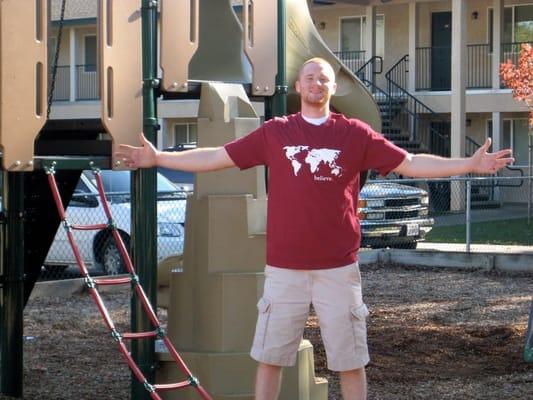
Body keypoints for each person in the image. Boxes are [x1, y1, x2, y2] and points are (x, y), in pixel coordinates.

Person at [116, 58, 513, 400]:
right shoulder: (277, 132)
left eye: (323, 77)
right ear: (298, 86)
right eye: (309, 77)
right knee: (270, 357)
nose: (316, 83)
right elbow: (217, 157)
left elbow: (410, 162)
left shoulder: (354, 134)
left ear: (333, 87)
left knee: (351, 360)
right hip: (284, 269)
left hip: (338, 269)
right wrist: (158, 157)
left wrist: (467, 164)